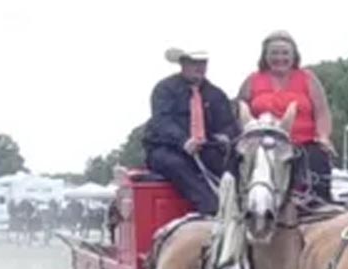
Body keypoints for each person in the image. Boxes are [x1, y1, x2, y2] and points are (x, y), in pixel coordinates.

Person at [237, 30, 336, 204]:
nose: (279, 58)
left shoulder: (308, 78)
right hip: (263, 145)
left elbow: (322, 112)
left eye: (285, 53)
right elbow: (240, 109)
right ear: (265, 55)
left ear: (294, 55)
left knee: (318, 160)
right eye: (274, 53)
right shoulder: (253, 80)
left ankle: (320, 206)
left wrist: (323, 137)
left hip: (302, 144)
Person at [142, 49, 238, 215]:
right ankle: (210, 207)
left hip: (207, 148)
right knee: (175, 165)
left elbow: (229, 125)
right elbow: (162, 122)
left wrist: (225, 137)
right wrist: (183, 141)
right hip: (167, 149)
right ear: (183, 64)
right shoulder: (164, 90)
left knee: (230, 164)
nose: (199, 67)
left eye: (203, 63)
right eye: (194, 63)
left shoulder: (216, 95)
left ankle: (239, 207)